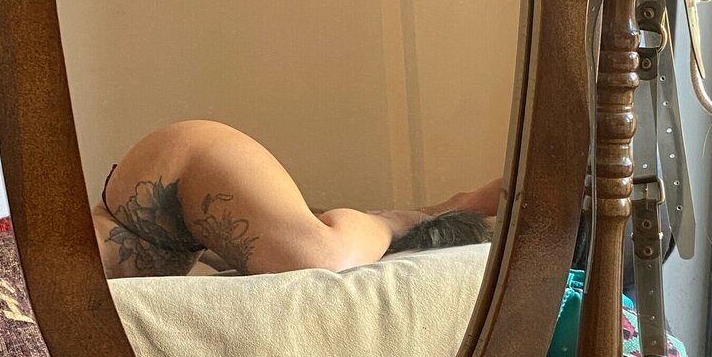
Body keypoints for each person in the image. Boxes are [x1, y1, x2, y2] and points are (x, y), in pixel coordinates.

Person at [92, 120, 502, 279]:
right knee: (298, 248)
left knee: (323, 257)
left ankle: (407, 218)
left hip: (171, 172)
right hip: (156, 223)